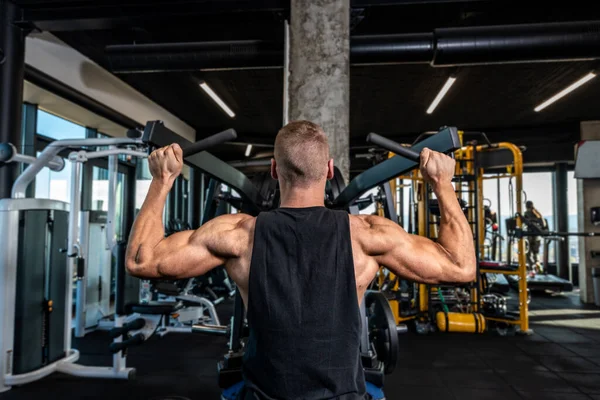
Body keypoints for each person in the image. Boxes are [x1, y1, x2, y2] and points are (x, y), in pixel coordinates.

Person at [125, 120, 476, 400]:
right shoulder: (367, 235)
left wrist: (162, 180)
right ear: (329, 169)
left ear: (274, 170)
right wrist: (442, 183)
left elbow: (143, 261)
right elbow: (461, 267)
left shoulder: (238, 235)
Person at [524, 200, 548, 272]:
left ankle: (531, 267)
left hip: (529, 235)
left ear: (526, 206)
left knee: (528, 253)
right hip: (537, 236)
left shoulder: (526, 214)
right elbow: (544, 225)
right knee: (536, 252)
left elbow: (524, 223)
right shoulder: (538, 213)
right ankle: (537, 265)